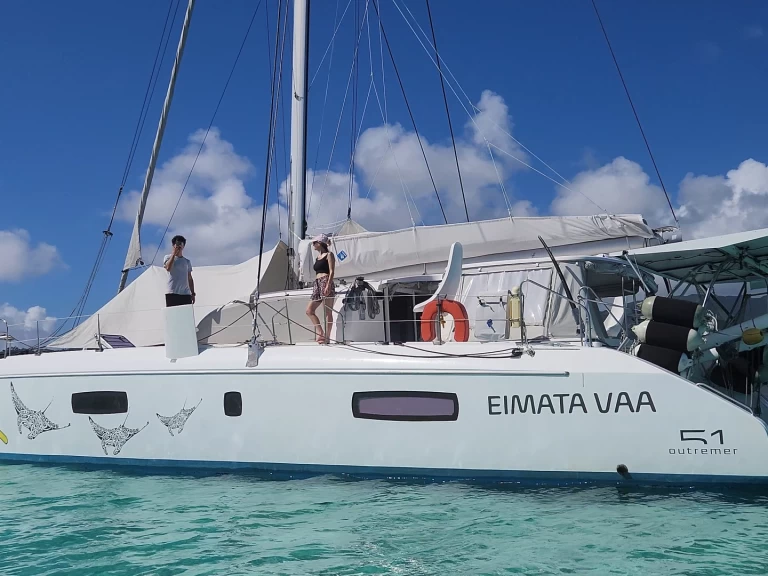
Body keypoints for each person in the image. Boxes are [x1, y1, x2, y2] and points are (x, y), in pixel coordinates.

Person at [305, 233, 336, 344]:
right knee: (309, 311)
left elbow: (332, 271)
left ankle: (327, 337)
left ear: (320, 243)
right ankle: (320, 332)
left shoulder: (329, 255)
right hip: (317, 283)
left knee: (327, 312)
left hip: (326, 281)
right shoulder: (318, 257)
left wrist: (328, 284)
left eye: (314, 242)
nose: (313, 244)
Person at [163, 235, 196, 307]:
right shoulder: (167, 257)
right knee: (173, 315)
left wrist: (192, 293)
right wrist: (173, 254)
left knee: (186, 315)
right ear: (173, 245)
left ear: (183, 246)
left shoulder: (187, 261)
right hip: (172, 293)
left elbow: (189, 278)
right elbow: (168, 268)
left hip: (185, 294)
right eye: (177, 245)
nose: (179, 248)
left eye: (180, 246)